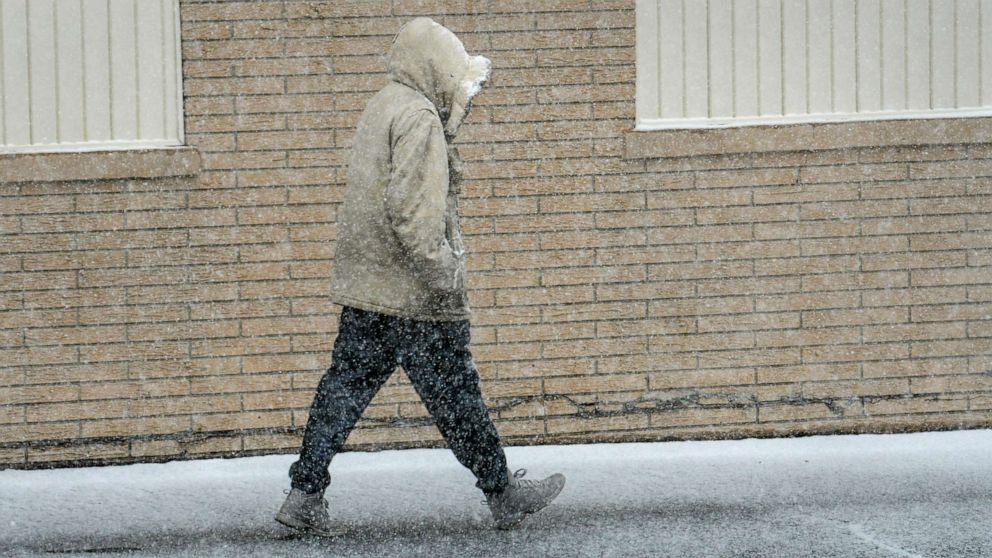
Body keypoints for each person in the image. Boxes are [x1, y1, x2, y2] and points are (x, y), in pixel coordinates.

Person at [275, 17, 565, 536]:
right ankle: (503, 495)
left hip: (371, 287)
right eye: (459, 78)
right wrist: (444, 276)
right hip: (415, 295)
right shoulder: (419, 117)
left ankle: (304, 494)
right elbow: (412, 213)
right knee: (457, 396)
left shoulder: (383, 105)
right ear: (437, 69)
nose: (465, 93)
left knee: (343, 390)